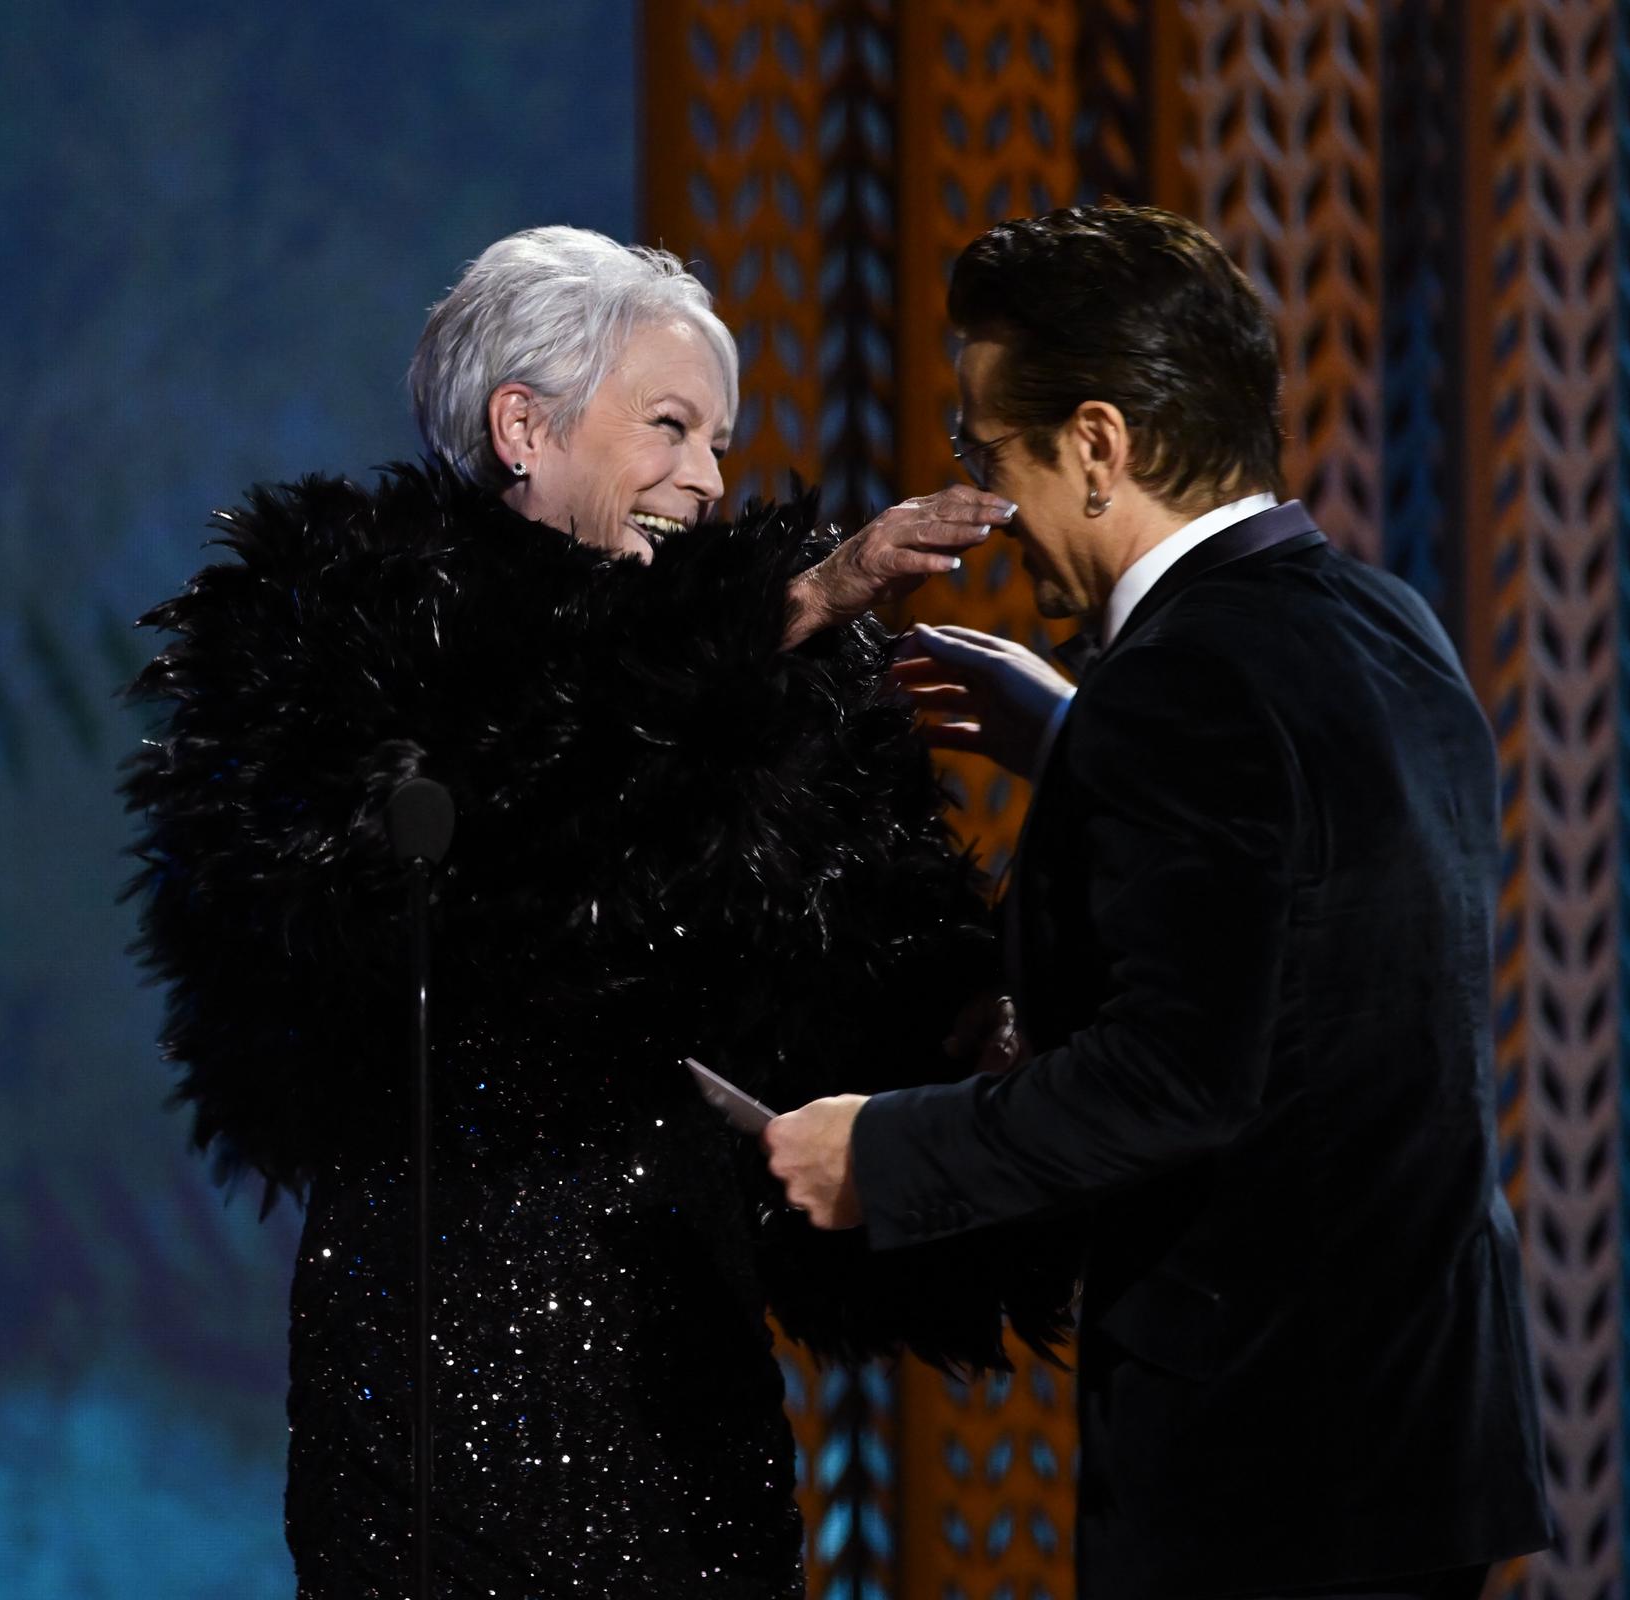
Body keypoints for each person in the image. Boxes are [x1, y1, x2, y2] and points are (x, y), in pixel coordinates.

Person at [123, 226, 1068, 1598]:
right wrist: (784, 612)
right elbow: (479, 879)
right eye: (671, 427)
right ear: (524, 424)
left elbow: (858, 979)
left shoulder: (788, 694)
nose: (707, 478)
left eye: (724, 442)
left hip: (680, 1365)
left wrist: (975, 1032)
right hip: (433, 1369)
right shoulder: (336, 643)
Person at [763, 203, 1552, 1600]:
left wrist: (875, 1155)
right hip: (1423, 1441)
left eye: (987, 452)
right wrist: (1074, 741)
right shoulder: (1380, 622)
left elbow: (1178, 1077)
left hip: (1267, 1471)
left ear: (1097, 446)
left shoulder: (1180, 686)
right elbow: (1312, 927)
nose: (988, 502)